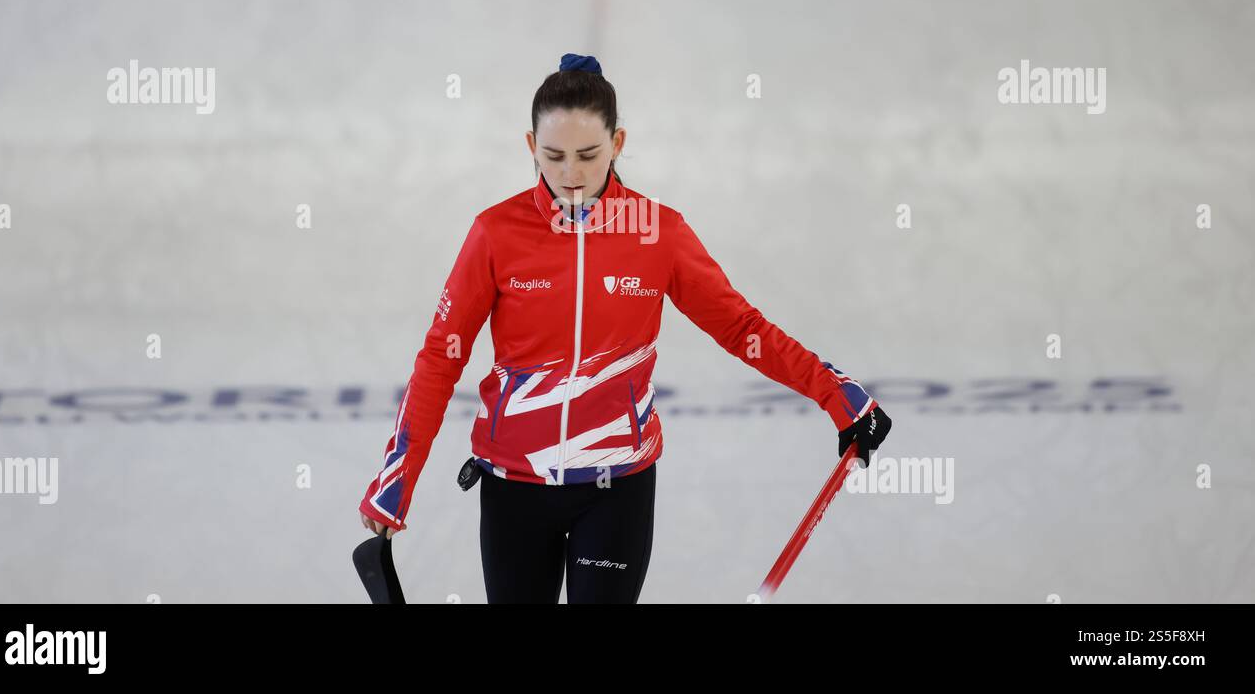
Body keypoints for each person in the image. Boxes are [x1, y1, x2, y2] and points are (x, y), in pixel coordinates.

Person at [359, 52, 892, 603]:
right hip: (515, 487)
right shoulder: (496, 234)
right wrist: (396, 482)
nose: (570, 174)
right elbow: (440, 359)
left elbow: (740, 327)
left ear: (617, 143)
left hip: (617, 488)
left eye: (588, 155)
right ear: (529, 147)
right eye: (553, 156)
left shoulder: (658, 233)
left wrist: (838, 395)